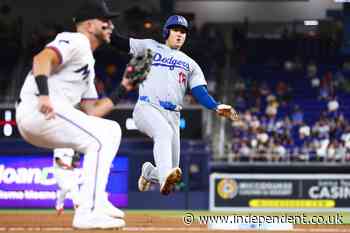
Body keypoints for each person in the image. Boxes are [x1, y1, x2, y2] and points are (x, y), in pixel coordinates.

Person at [15, 0, 144, 229]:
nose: (110, 25)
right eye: (105, 20)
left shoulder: (88, 63)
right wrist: (44, 94)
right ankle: (88, 211)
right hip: (39, 108)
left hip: (47, 117)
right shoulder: (76, 40)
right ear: (89, 24)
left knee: (109, 131)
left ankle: (95, 201)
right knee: (103, 137)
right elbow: (41, 59)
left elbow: (93, 112)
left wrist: (125, 86)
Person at [110, 15, 238, 195]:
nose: (180, 34)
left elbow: (200, 91)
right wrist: (106, 28)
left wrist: (216, 106)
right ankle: (163, 179)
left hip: (172, 116)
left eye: (183, 31)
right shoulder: (150, 46)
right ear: (166, 31)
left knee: (173, 169)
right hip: (147, 108)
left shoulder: (190, 64)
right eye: (176, 30)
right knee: (164, 136)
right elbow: (119, 42)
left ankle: (149, 172)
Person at [53, 148, 81, 215]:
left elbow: (76, 161)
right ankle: (59, 206)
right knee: (65, 188)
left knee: (75, 188)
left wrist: (76, 163)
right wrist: (67, 166)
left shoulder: (71, 149)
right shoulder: (58, 148)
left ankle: (78, 208)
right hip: (60, 171)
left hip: (70, 171)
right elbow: (58, 161)